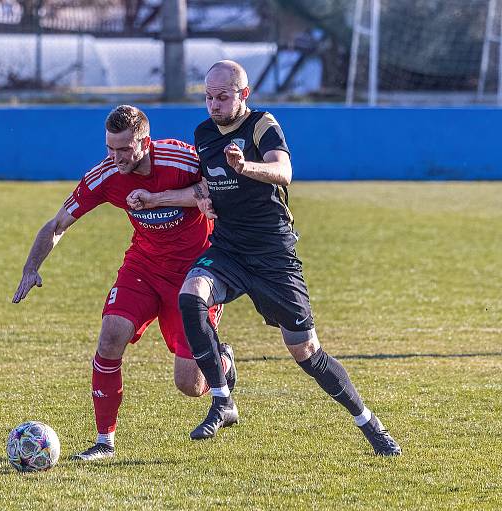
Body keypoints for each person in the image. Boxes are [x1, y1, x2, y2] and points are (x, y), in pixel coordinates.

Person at [137, 60, 401, 455]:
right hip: (228, 247)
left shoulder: (261, 124)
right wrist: (186, 200)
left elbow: (284, 171)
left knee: (307, 352)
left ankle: (370, 424)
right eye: (208, 97)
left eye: (223, 97)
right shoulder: (204, 134)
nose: (214, 105)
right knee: (191, 295)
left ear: (243, 95)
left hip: (273, 252)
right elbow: (206, 185)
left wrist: (246, 166)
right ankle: (223, 400)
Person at [12, 105, 236, 461]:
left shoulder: (179, 158)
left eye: (123, 149)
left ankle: (221, 363)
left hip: (195, 273)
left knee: (189, 385)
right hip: (143, 267)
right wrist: (31, 267)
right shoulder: (105, 176)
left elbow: (216, 185)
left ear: (144, 142)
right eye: (109, 149)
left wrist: (160, 199)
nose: (115, 157)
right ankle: (104, 442)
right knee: (110, 336)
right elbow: (57, 224)